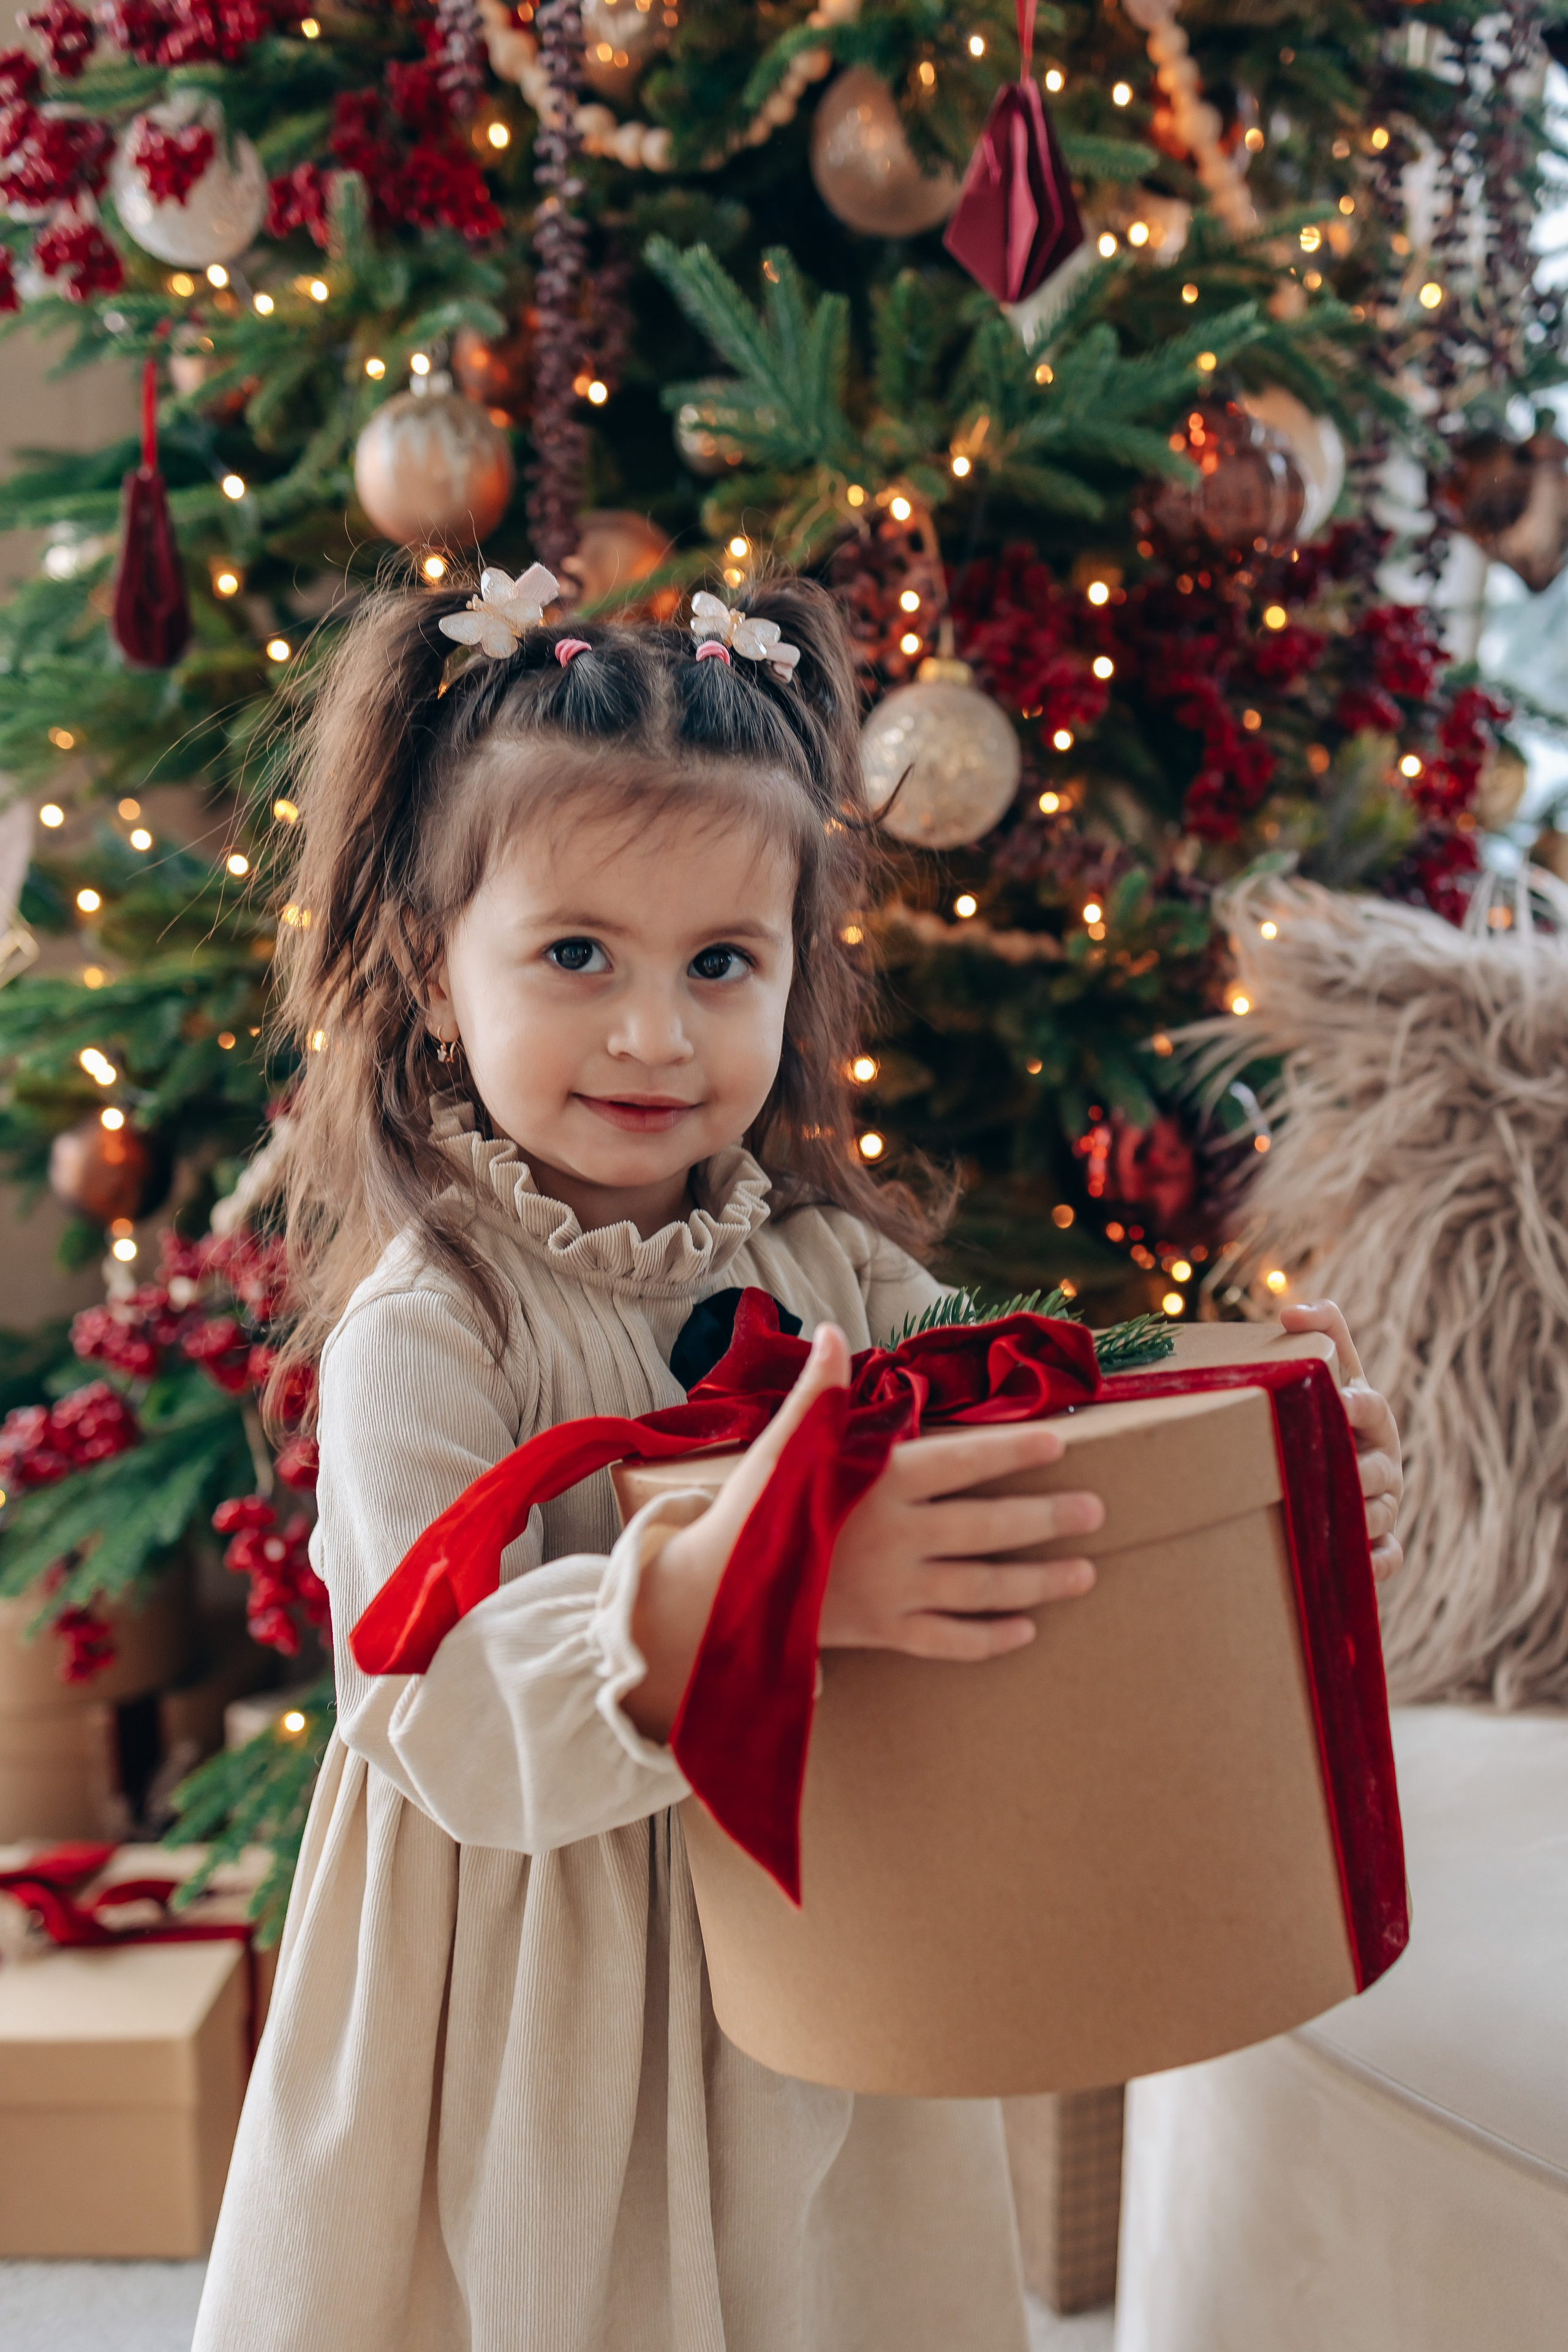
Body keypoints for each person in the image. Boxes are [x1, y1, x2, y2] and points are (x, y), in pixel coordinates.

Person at [193, 565, 1403, 2352]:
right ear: (433, 975)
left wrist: (1256, 1464)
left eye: (721, 963)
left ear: (793, 971)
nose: (656, 1032)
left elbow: (1031, 1408)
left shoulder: (826, 1268)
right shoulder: (433, 1329)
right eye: (577, 955)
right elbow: (437, 1709)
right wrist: (757, 1587)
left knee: (831, 2284)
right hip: (549, 1977)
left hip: (830, 1925)